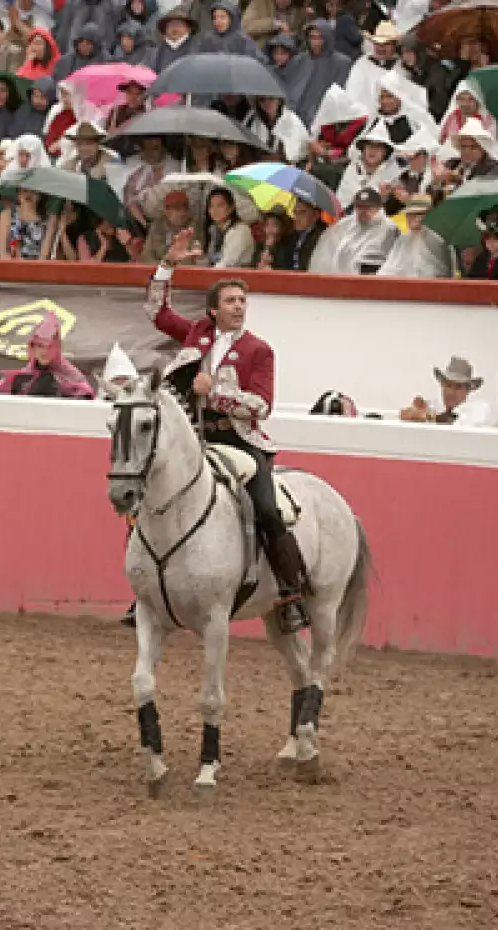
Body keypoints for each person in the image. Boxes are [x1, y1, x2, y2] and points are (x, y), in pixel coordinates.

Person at [146, 227, 311, 631]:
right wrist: (167, 265)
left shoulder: (258, 350)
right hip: (196, 439)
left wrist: (214, 392)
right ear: (213, 310)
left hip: (239, 439)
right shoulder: (197, 333)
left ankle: (291, 592)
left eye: (243, 301)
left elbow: (262, 406)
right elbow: (155, 313)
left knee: (268, 511)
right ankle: (148, 587)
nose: (239, 307)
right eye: (231, 301)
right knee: (147, 494)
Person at [0, 313, 95, 398]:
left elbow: (85, 398)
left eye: (49, 347)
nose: (44, 352)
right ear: (33, 347)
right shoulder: (23, 377)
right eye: (40, 346)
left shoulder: (72, 377)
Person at [398, 356, 495, 426]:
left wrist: (427, 417)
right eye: (448, 385)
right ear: (442, 385)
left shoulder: (478, 409)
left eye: (458, 387)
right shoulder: (434, 406)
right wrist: (415, 412)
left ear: (468, 390)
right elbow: (403, 414)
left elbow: (454, 421)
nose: (451, 392)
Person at [377, 193, 451, 278]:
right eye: (409, 214)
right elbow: (390, 267)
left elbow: (437, 270)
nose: (412, 218)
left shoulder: (437, 238)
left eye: (418, 214)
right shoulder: (404, 238)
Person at [0, 186, 57, 260]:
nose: (28, 194)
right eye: (25, 190)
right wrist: (15, 250)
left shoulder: (48, 219)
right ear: (18, 193)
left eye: (33, 190)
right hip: (13, 266)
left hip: (39, 267)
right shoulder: (7, 215)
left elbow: (45, 256)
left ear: (40, 195)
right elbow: (3, 253)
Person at [463, 206, 498, 281]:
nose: (491, 240)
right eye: (487, 236)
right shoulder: (480, 260)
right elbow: (471, 279)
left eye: (497, 236)